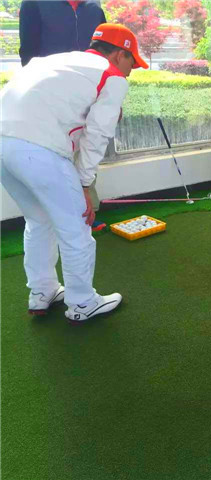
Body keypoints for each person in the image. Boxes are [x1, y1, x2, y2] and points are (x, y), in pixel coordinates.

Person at [0, 23, 148, 322]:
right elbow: (97, 136)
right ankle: (82, 303)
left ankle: (42, 292)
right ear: (120, 54)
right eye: (132, 63)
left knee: (39, 220)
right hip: (40, 150)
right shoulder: (112, 76)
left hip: (4, 145)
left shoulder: (55, 61)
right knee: (77, 227)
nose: (131, 71)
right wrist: (84, 184)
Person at [19, 0, 109, 232]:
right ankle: (54, 216)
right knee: (54, 156)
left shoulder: (94, 10)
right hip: (49, 97)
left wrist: (108, 93)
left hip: (87, 95)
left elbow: (105, 54)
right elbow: (28, 54)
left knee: (85, 150)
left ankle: (87, 212)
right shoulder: (34, 4)